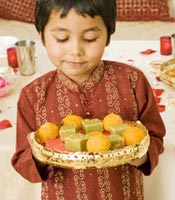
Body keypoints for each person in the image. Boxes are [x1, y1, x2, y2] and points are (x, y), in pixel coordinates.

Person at [11, 0, 165, 199]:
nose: (76, 50)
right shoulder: (33, 95)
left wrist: (139, 155)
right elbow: (22, 161)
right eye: (62, 38)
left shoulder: (133, 81)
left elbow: (156, 137)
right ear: (41, 37)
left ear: (108, 35)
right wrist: (44, 154)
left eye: (90, 38)